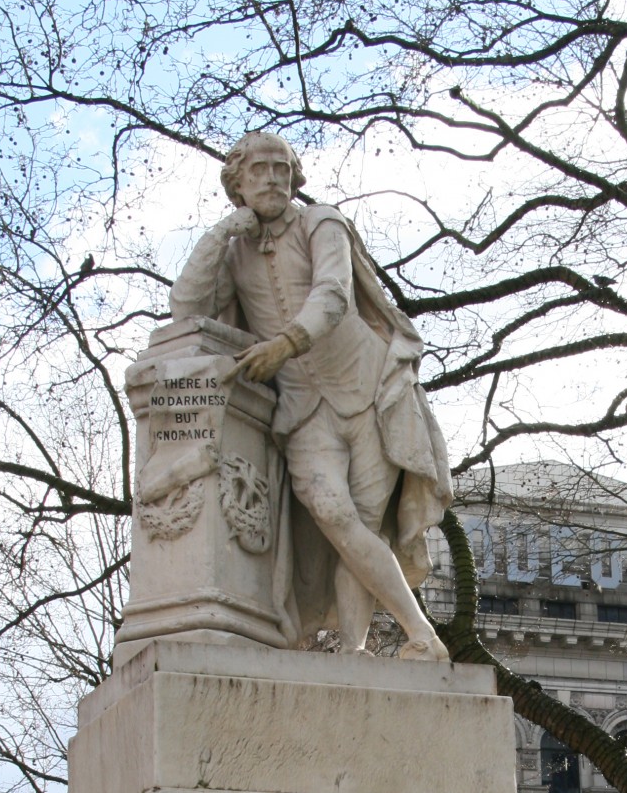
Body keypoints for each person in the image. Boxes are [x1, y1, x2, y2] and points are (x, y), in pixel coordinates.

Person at [169, 130, 453, 660]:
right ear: (238, 183)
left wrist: (284, 345)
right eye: (259, 170)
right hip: (303, 410)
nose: (273, 178)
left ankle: (354, 650)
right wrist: (222, 232)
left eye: (282, 168)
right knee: (334, 514)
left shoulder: (322, 222)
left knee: (362, 528)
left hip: (369, 392)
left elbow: (334, 293)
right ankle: (422, 632)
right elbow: (186, 309)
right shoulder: (233, 254)